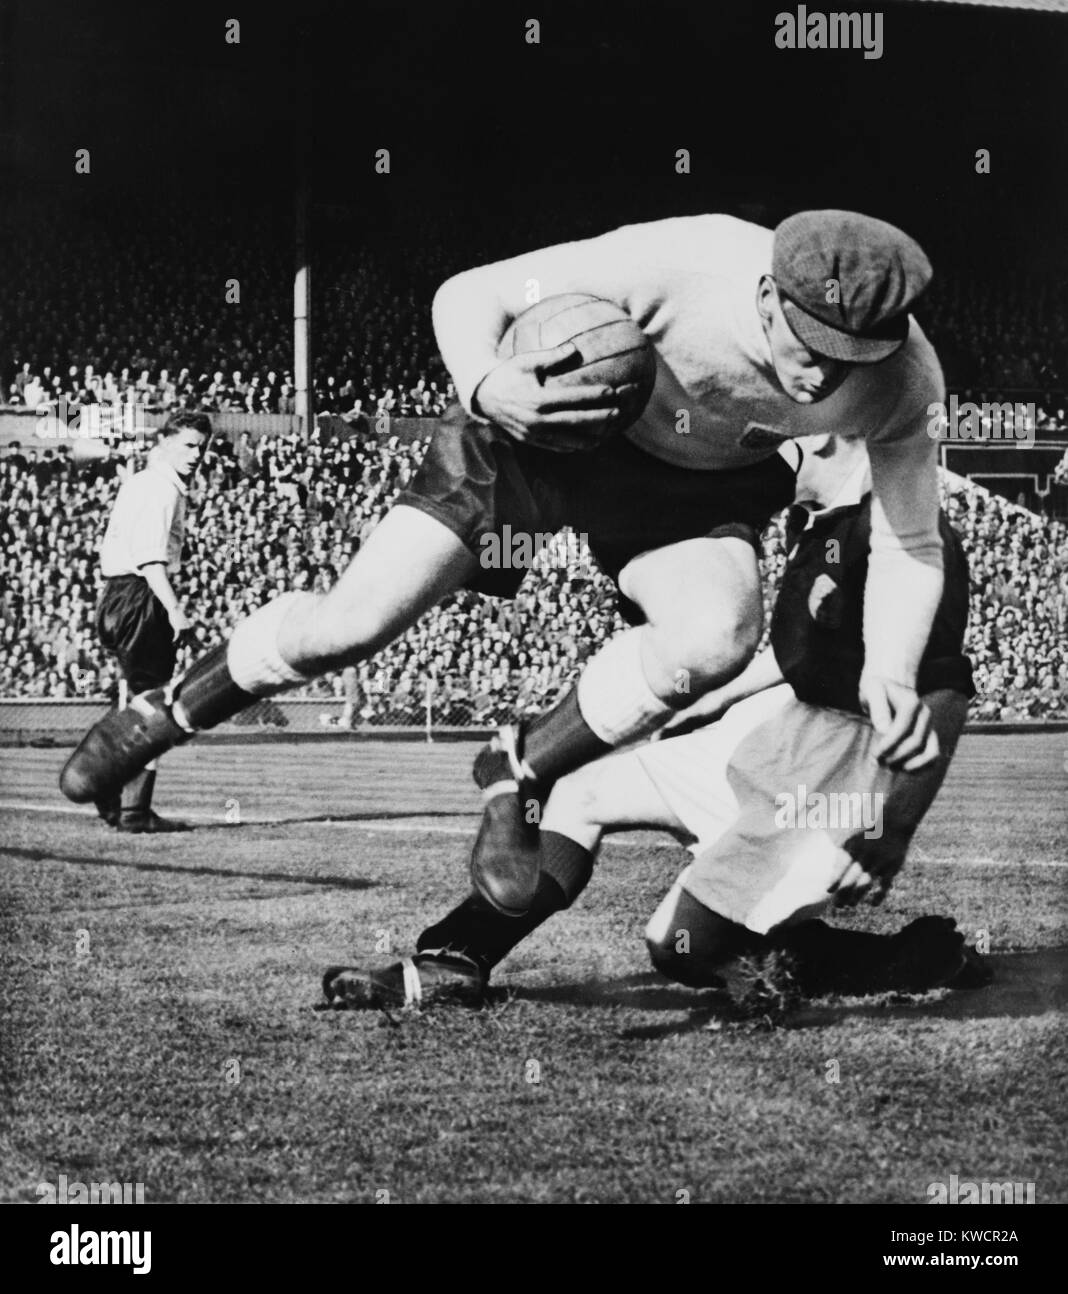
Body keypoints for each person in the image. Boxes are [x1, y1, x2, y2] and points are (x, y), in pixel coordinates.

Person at [61, 211, 945, 913]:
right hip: (537, 436)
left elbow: (911, 540)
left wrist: (896, 670)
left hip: (689, 489)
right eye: (811, 350)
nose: (826, 381)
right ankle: (169, 709)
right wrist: (487, 383)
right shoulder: (680, 262)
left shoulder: (905, 379)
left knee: (715, 638)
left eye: (852, 361)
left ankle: (516, 767)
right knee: (350, 627)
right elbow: (470, 292)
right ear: (765, 298)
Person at [323, 436, 988, 1010]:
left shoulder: (902, 532)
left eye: (767, 436)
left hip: (841, 758)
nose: (745, 452)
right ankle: (454, 962)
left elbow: (945, 692)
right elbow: (811, 653)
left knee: (679, 946)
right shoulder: (819, 516)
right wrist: (711, 699)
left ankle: (901, 960)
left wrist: (890, 823)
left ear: (820, 438)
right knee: (578, 791)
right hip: (780, 724)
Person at [92, 410, 211, 831]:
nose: (197, 454)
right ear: (163, 442)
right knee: (150, 704)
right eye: (188, 445)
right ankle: (133, 810)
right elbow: (150, 560)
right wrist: (175, 609)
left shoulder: (142, 482)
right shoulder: (162, 489)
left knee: (130, 703)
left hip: (119, 595)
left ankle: (111, 799)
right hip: (140, 595)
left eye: (201, 446)